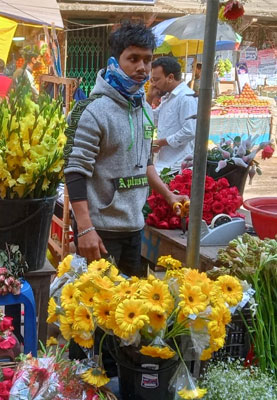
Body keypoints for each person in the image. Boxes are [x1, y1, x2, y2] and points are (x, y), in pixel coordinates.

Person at [63, 22, 187, 277]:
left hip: (134, 226)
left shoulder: (142, 109)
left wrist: (169, 195)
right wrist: (85, 228)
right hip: (100, 231)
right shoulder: (92, 110)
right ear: (115, 61)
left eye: (147, 60)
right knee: (96, 309)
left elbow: (145, 163)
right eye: (133, 59)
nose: (141, 68)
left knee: (130, 310)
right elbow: (75, 171)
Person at [150, 56, 198, 174]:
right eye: (152, 80)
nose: (154, 84)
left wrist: (161, 142)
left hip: (178, 167)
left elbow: (189, 131)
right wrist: (149, 97)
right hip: (164, 165)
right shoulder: (167, 97)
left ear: (170, 77)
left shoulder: (186, 97)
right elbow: (152, 118)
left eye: (156, 80)